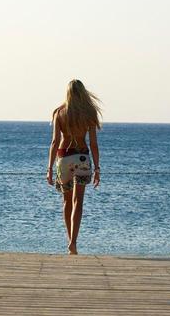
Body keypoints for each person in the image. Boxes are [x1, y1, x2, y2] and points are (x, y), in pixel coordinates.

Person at [46, 79, 101, 255]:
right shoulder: (89, 113)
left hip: (64, 158)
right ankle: (73, 242)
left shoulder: (59, 112)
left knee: (66, 201)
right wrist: (98, 167)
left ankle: (70, 241)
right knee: (78, 201)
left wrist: (48, 168)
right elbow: (93, 144)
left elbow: (55, 142)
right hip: (82, 157)